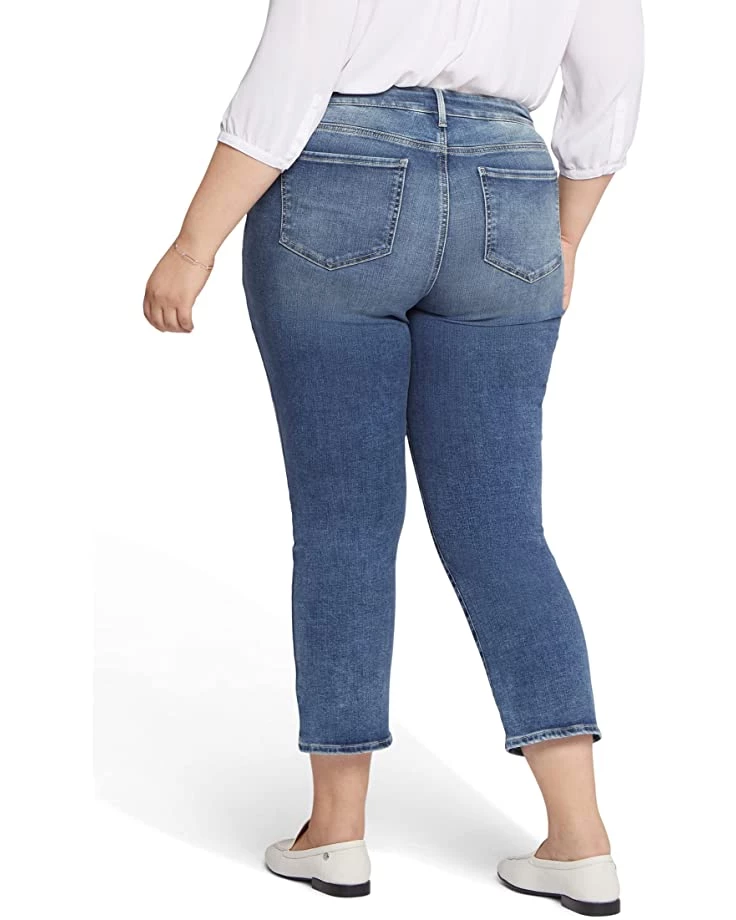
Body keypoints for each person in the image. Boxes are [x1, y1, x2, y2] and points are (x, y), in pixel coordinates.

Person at [143, 0, 644, 913]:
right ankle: (581, 841)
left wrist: (192, 245)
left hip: (343, 175)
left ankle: (335, 835)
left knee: (345, 525)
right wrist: (566, 235)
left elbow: (292, 71)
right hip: (510, 191)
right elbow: (610, 90)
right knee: (502, 530)